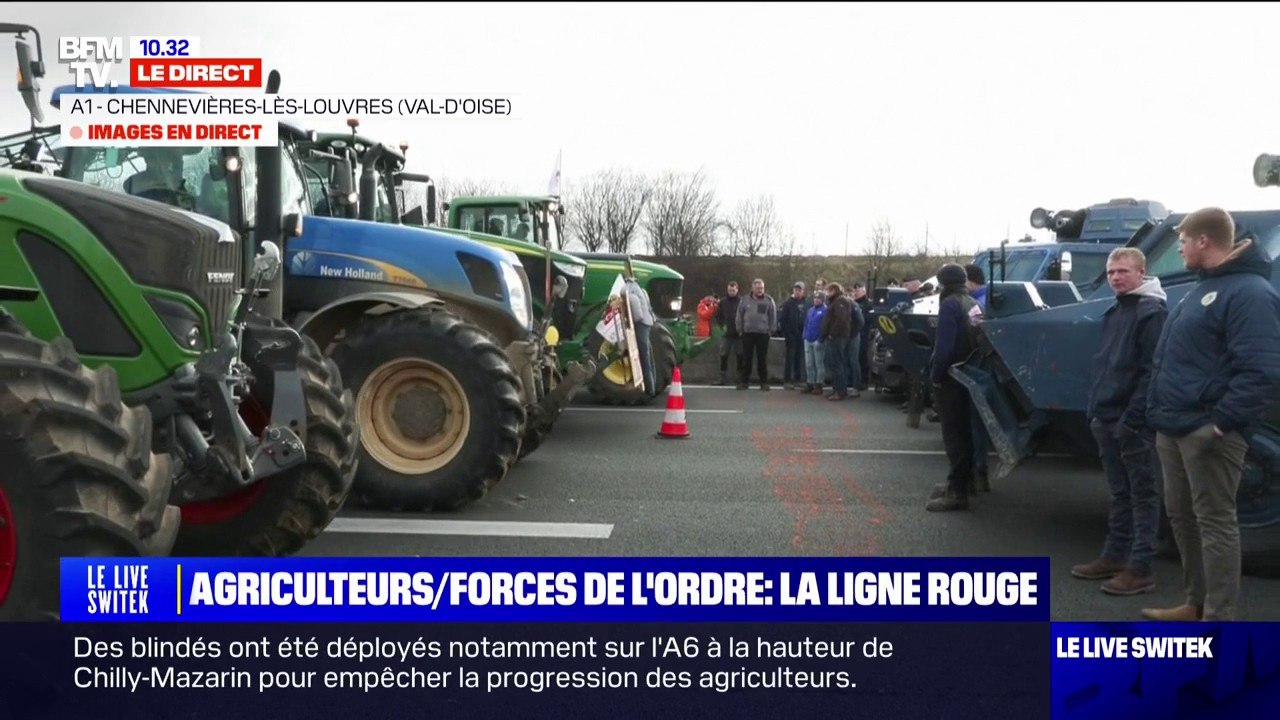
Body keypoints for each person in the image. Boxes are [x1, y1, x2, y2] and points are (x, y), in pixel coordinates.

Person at [1141, 208, 1280, 622]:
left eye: (1182, 241)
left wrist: (1219, 424)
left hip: (1210, 432)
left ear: (1204, 241)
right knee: (1182, 519)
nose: (1179, 248)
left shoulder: (1250, 292)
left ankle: (1217, 621)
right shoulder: (1202, 289)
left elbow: (1261, 369)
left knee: (1216, 523)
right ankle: (1194, 603)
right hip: (1174, 425)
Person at [1070, 248, 1167, 596]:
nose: (1115, 277)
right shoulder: (1116, 310)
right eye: (1111, 272)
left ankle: (1140, 569)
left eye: (1123, 271)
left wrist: (1132, 420)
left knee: (1143, 495)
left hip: (1132, 424)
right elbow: (1106, 366)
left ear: (1141, 273)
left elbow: (1151, 373)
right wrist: (1096, 412)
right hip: (1106, 417)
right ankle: (1113, 556)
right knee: (1120, 493)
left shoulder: (1150, 312)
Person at [926, 263, 982, 512]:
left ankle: (957, 491)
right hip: (970, 373)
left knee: (954, 436)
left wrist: (936, 376)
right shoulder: (971, 303)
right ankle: (966, 482)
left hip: (952, 377)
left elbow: (944, 348)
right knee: (966, 433)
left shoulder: (949, 304)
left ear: (944, 282)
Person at [963, 264, 991, 490]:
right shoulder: (989, 298)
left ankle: (976, 471)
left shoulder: (977, 306)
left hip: (980, 367)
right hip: (989, 369)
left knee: (975, 423)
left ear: (970, 281)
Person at [736, 278, 777, 390]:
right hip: (747, 333)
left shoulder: (768, 300)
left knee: (762, 359)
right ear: (752, 288)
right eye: (758, 288)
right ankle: (744, 382)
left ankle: (763, 382)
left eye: (762, 288)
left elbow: (773, 317)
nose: (760, 290)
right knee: (746, 358)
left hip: (763, 334)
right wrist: (740, 330)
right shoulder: (744, 300)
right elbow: (739, 316)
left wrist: (770, 331)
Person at [125, 148, 195, 211]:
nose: (164, 161)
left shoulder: (176, 184)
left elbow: (186, 207)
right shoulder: (136, 182)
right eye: (156, 158)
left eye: (167, 157)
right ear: (147, 160)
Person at [623, 272, 658, 397]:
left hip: (642, 324)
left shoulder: (629, 289)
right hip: (648, 322)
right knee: (648, 354)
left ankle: (650, 389)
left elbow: (637, 312)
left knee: (643, 356)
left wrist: (633, 322)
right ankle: (653, 384)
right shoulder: (638, 288)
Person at [820, 282, 855, 401]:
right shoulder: (836, 301)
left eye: (828, 291)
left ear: (833, 291)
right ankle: (836, 389)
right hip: (835, 337)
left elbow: (841, 320)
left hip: (838, 337)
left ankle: (840, 391)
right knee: (834, 364)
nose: (826, 293)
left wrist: (831, 334)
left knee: (837, 364)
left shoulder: (841, 301)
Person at [778, 282, 808, 389]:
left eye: (799, 290)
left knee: (799, 358)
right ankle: (787, 380)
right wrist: (787, 332)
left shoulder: (806, 303)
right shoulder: (788, 303)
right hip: (791, 335)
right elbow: (782, 319)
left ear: (803, 291)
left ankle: (798, 379)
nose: (797, 291)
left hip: (802, 335)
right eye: (796, 289)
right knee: (790, 358)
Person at [712, 282, 743, 385]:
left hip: (739, 333)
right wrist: (720, 326)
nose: (731, 292)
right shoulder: (723, 302)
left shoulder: (742, 301)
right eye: (730, 290)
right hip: (726, 334)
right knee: (723, 356)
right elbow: (717, 316)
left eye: (733, 290)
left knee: (740, 356)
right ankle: (722, 378)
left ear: (737, 290)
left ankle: (740, 377)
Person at [802, 290, 827, 394]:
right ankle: (810, 382)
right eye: (815, 298)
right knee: (808, 363)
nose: (816, 300)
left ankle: (819, 383)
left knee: (818, 363)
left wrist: (820, 339)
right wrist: (804, 336)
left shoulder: (825, 310)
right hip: (808, 339)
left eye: (818, 298)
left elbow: (825, 326)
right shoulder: (810, 310)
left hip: (818, 340)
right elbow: (806, 324)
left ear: (822, 300)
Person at [852, 283, 874, 390]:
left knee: (862, 357)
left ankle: (864, 380)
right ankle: (854, 379)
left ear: (864, 291)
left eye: (858, 290)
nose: (856, 292)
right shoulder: (852, 303)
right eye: (855, 290)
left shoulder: (869, 304)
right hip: (853, 334)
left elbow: (870, 319)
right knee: (854, 358)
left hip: (865, 334)